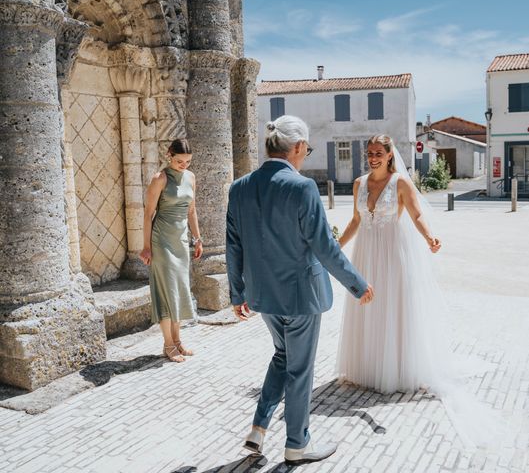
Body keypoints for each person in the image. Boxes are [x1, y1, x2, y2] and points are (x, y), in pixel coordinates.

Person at [226, 115, 374, 466]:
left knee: (283, 356)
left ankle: (259, 428)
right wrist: (358, 284)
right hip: (300, 297)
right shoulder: (302, 187)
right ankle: (297, 443)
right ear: (295, 148)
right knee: (300, 369)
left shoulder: (239, 187)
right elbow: (324, 246)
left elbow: (233, 245)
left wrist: (237, 294)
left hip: (262, 296)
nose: (305, 155)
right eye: (306, 149)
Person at [336, 134, 495, 448]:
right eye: (369, 153)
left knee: (392, 307)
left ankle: (395, 370)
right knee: (366, 308)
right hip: (365, 255)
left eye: (378, 153)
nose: (372, 158)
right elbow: (356, 220)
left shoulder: (401, 184)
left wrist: (429, 237)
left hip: (392, 256)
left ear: (390, 155)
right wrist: (335, 246)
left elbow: (417, 214)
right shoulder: (359, 184)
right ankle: (368, 368)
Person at [140, 139, 203, 363]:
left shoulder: (191, 177)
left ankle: (177, 341)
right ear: (169, 155)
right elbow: (148, 214)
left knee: (178, 290)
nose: (183, 165)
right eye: (179, 161)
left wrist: (197, 238)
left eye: (187, 161)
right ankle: (168, 344)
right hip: (161, 241)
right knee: (167, 292)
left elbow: (192, 210)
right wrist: (146, 246)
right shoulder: (160, 179)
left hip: (181, 241)